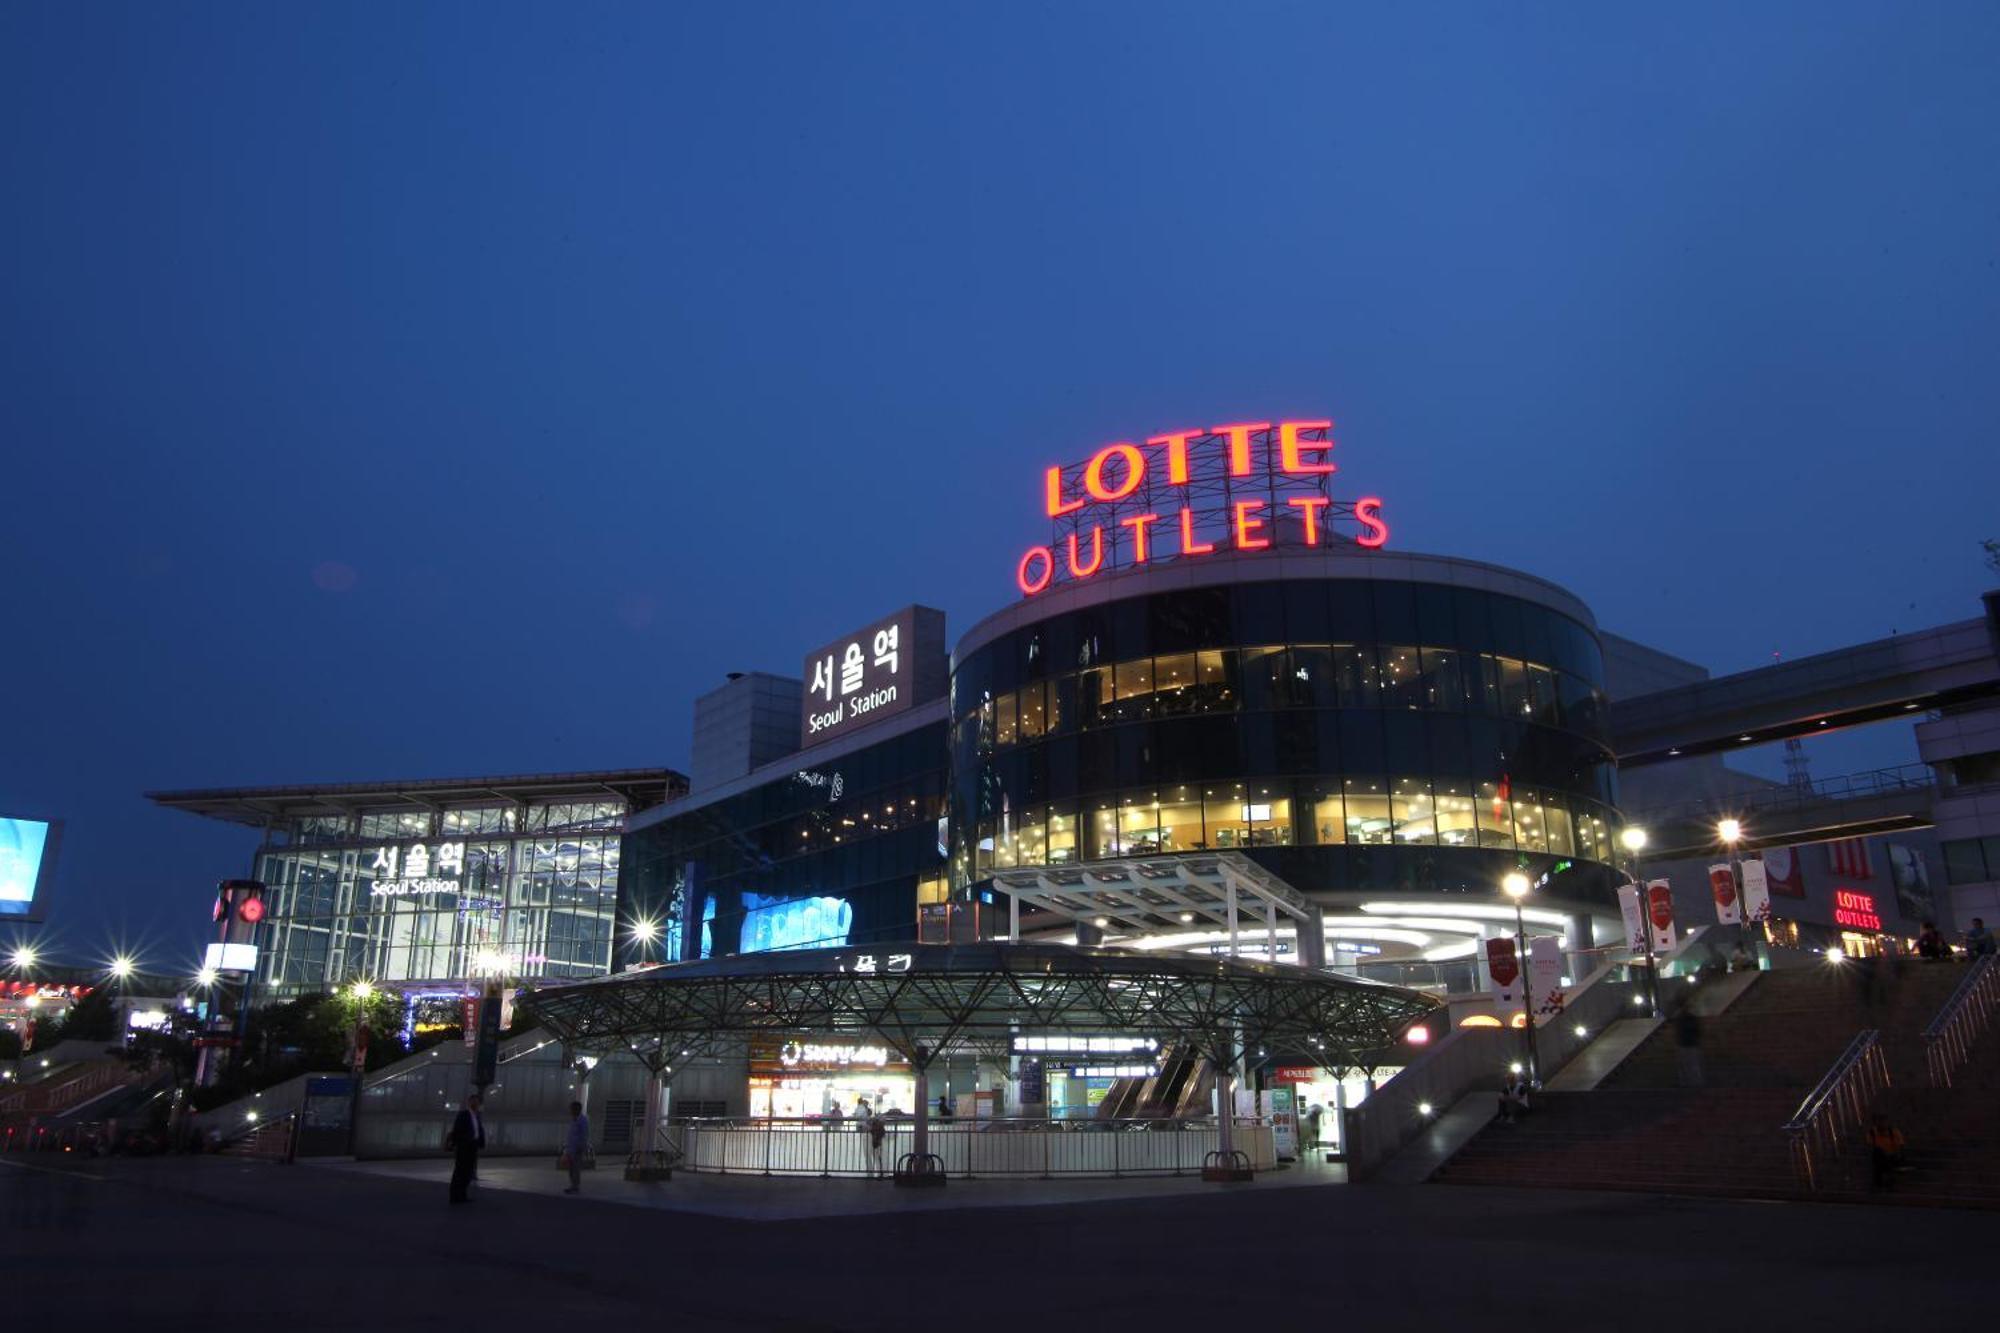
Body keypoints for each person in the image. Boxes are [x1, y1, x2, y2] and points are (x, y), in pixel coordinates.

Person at [447, 1093, 485, 1204]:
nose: (476, 1104)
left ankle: (462, 1195)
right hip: (464, 1146)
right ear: (469, 1102)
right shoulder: (463, 1114)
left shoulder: (476, 1116)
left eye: (477, 1102)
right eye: (473, 1101)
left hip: (472, 1146)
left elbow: (478, 1131)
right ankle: (454, 1196)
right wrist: (459, 1142)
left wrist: (479, 1142)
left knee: (467, 1172)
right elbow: (457, 1129)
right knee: (460, 1171)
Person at [1868, 1111, 1906, 1189]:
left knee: (1880, 1163)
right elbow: (1871, 1147)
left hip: (1892, 1157)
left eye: (1883, 1121)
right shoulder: (1872, 1133)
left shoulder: (1894, 1132)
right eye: (1879, 1121)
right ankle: (1886, 1180)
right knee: (1878, 1153)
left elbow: (1900, 1147)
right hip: (1879, 1157)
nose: (1881, 1123)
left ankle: (1880, 1183)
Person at [561, 1100, 590, 1195]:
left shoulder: (582, 1120)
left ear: (577, 1109)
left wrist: (580, 1147)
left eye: (572, 1109)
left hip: (577, 1148)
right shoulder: (574, 1120)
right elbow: (571, 1135)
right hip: (572, 1148)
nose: (570, 1111)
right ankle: (572, 1185)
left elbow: (584, 1135)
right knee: (571, 1168)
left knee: (575, 1168)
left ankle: (575, 1186)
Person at [1675, 1008, 1704, 1087]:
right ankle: (1693, 1082)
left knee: (1689, 1065)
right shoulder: (1685, 1019)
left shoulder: (1683, 1019)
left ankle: (1691, 1082)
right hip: (1688, 1044)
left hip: (1687, 1044)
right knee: (1691, 1065)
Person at [866, 1104, 888, 1177]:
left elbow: (870, 1129)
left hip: (875, 1141)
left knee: (877, 1156)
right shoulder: (880, 1126)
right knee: (879, 1156)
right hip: (878, 1141)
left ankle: (879, 1172)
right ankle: (881, 1172)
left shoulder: (873, 1124)